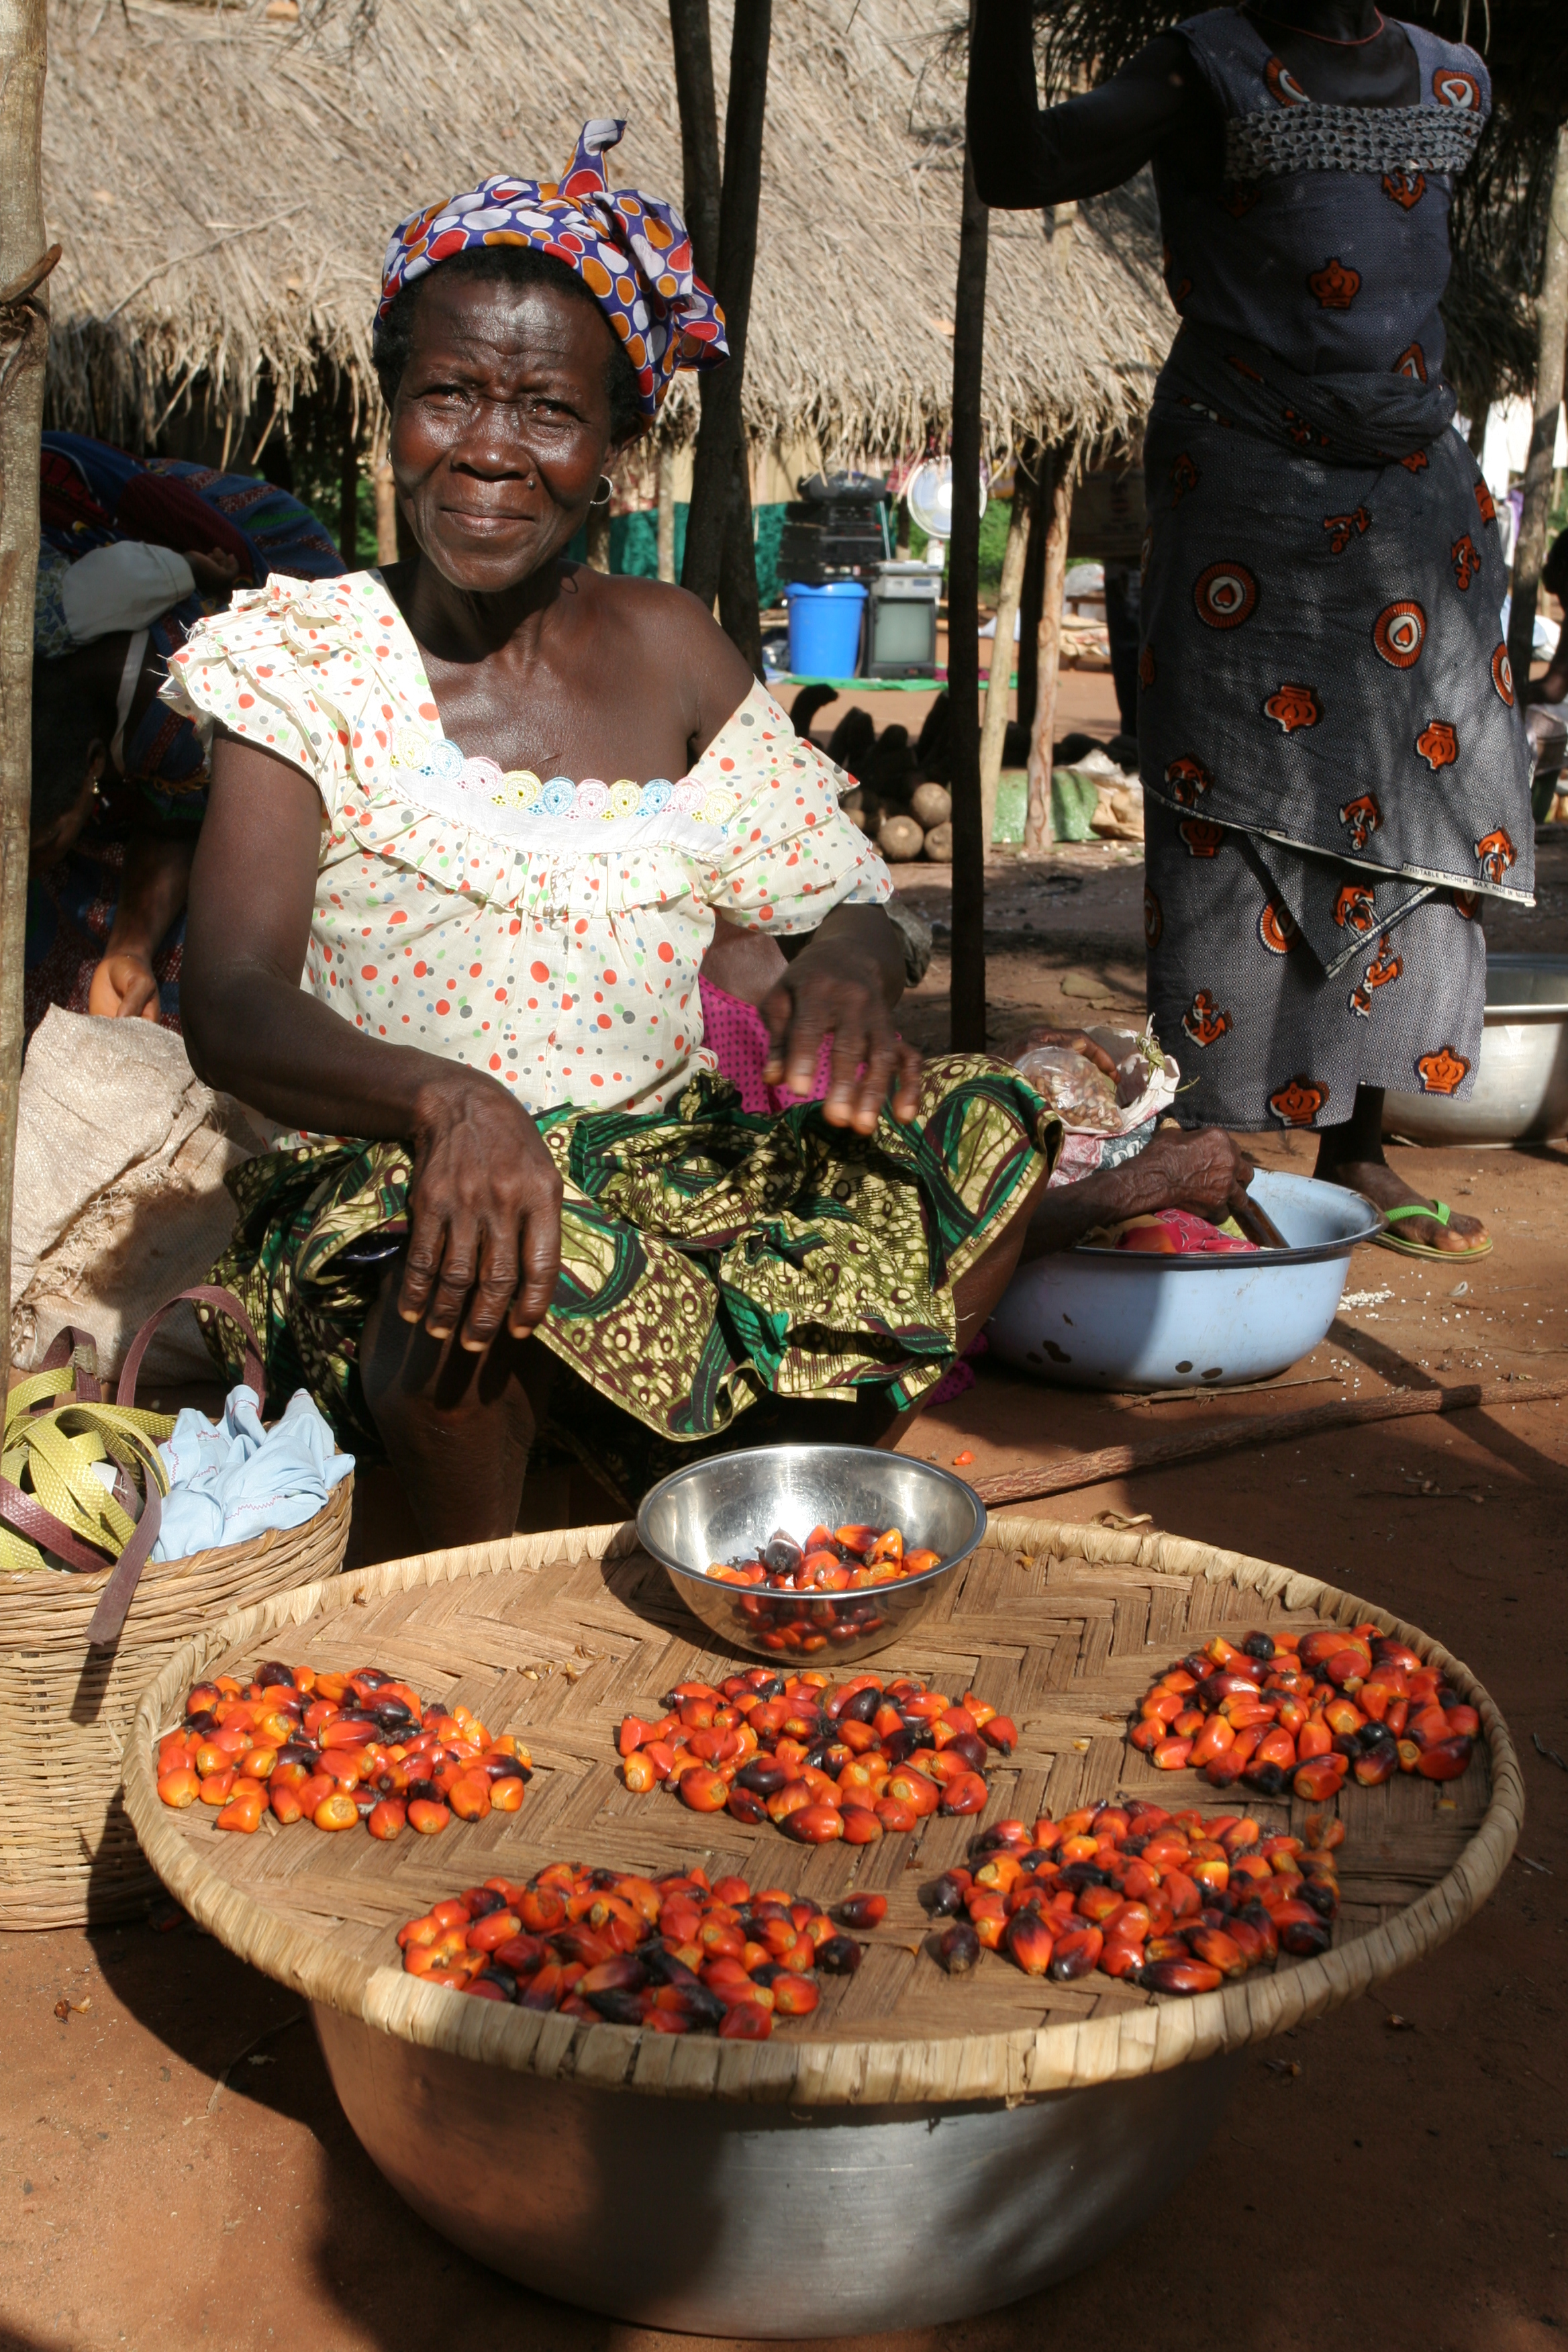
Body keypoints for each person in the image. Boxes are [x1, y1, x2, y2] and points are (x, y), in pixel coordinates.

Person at [160, 123, 1082, 1549]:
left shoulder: (667, 649)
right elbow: (227, 998)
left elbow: (837, 897)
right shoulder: (309, 659)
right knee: (496, 1259)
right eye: (447, 395)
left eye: (546, 413)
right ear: (389, 406)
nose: (488, 453)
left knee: (983, 1133)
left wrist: (847, 966)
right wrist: (451, 1104)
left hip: (668, 1170)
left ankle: (761, 1518)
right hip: (396, 1189)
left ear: (615, 447)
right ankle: (490, 1594)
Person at [970, 0, 1534, 1263]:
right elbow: (1021, 170)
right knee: (1230, 801)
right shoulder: (1203, 64)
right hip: (1245, 478)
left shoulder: (1457, 85)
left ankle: (1359, 1143)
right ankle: (1208, 1141)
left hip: (1409, 484)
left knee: (1415, 800)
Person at [27, 434, 342, 1034]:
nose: (33, 863)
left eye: (50, 841)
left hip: (257, 543)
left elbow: (172, 819)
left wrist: (131, 948)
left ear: (101, 765)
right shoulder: (41, 628)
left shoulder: (188, 706)